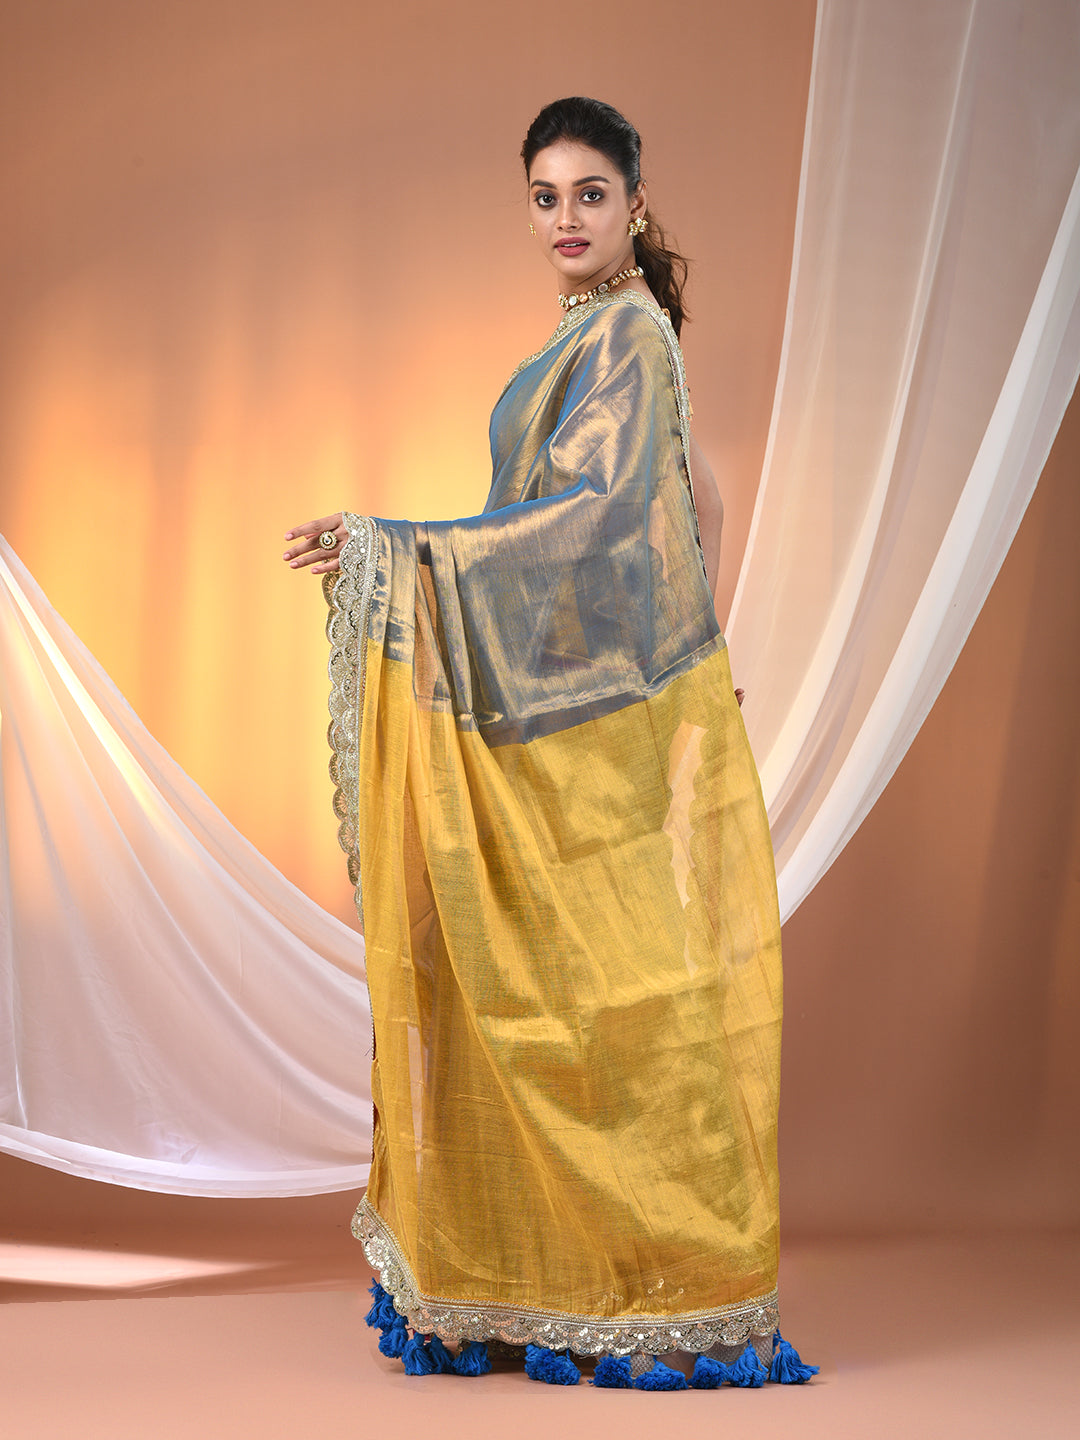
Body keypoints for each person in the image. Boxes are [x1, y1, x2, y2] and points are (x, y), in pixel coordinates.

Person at [282, 96, 815, 1391]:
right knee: (556, 1001)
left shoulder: (625, 332)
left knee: (596, 1005)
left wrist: (396, 550)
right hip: (567, 707)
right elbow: (696, 502)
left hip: (595, 723)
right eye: (544, 196)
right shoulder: (606, 332)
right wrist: (694, 650)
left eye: (589, 193)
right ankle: (557, 1279)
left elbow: (596, 519)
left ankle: (653, 1288)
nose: (566, 218)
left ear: (636, 200)